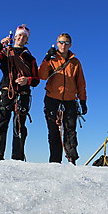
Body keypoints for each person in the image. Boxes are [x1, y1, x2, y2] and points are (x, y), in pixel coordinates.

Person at [0, 24, 39, 161]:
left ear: (27, 40)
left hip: (23, 94)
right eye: (19, 35)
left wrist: (28, 80)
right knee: (2, 123)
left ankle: (17, 158)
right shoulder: (5, 52)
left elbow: (36, 80)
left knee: (19, 125)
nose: (21, 38)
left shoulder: (30, 59)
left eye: (24, 36)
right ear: (14, 37)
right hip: (6, 91)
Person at [38, 33, 87, 165]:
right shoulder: (52, 59)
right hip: (52, 98)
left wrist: (83, 101)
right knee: (53, 131)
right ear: (57, 43)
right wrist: (46, 58)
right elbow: (42, 76)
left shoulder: (75, 62)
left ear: (70, 45)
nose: (63, 45)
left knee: (70, 130)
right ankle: (55, 161)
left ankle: (72, 159)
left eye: (66, 43)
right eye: (60, 42)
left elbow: (81, 83)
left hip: (70, 99)